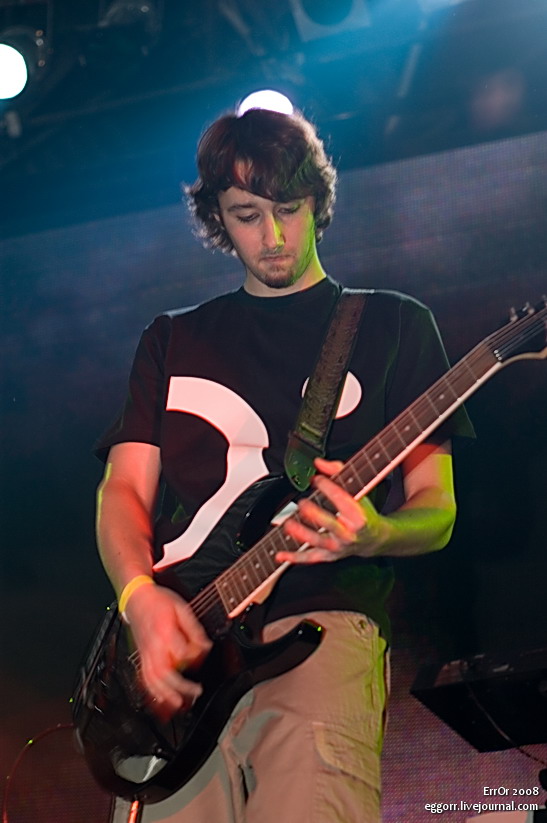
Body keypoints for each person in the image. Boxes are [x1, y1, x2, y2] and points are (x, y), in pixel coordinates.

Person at [95, 106, 474, 823]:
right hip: (177, 648)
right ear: (217, 217)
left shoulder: (393, 324)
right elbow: (122, 491)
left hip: (318, 630)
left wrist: (374, 533)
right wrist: (140, 599)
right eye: (247, 215)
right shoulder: (171, 339)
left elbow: (437, 509)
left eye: (288, 210)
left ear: (317, 201)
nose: (272, 237)